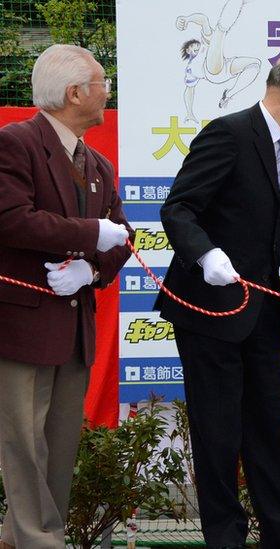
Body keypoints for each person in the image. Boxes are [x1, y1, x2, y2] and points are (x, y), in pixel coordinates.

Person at [155, 51, 280, 549]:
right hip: (209, 309)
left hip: (263, 310)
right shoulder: (228, 132)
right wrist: (205, 254)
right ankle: (225, 538)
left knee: (268, 423)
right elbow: (179, 208)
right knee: (216, 428)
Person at [0, 44, 132, 549]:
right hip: (22, 327)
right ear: (75, 92)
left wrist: (91, 269)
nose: (106, 93)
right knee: (23, 443)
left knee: (58, 446)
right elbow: (11, 219)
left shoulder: (97, 162)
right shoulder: (17, 143)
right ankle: (40, 540)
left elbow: (121, 235)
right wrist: (86, 234)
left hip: (74, 326)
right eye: (102, 83)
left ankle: (21, 537)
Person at [176, 0, 261, 123]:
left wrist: (187, 19)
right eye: (192, 48)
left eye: (196, 45)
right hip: (211, 71)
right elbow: (189, 91)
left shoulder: (206, 41)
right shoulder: (191, 69)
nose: (196, 48)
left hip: (225, 67)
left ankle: (228, 94)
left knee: (255, 65)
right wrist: (189, 112)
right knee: (219, 32)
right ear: (188, 51)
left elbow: (203, 19)